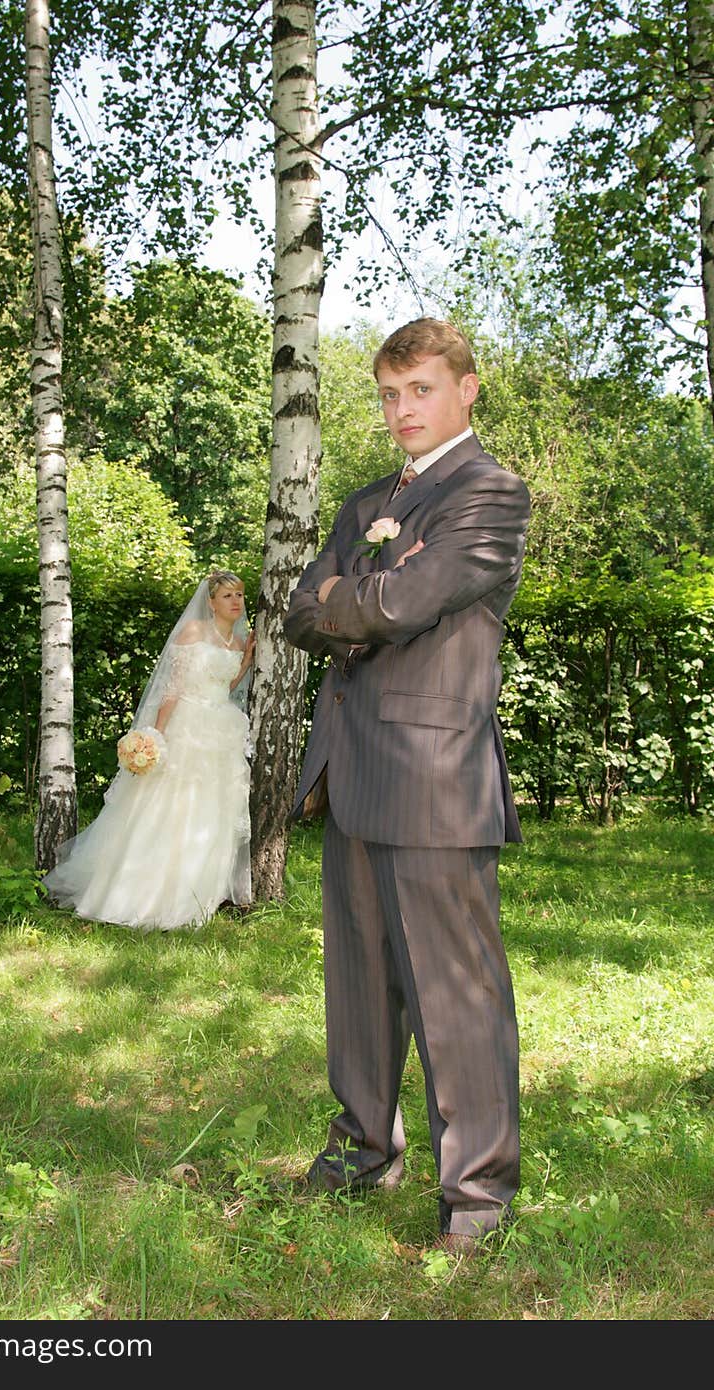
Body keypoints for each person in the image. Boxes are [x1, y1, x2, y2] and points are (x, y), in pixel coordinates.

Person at [283, 318, 530, 1255]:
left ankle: (476, 1197)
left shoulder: (491, 495)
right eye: (389, 394)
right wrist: (361, 597)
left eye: (419, 390)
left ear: (465, 389)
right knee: (360, 979)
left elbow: (398, 602)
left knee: (454, 992)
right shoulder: (364, 502)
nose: (401, 411)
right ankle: (361, 1149)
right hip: (352, 769)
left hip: (434, 775)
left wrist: (357, 598)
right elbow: (305, 605)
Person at [43, 570, 255, 931]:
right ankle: (144, 893)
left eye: (239, 595)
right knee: (170, 808)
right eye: (227, 596)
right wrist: (154, 737)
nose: (236, 602)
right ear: (211, 601)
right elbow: (172, 689)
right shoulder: (193, 633)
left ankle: (196, 892)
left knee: (211, 810)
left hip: (223, 730)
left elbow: (227, 684)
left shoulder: (238, 641)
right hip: (188, 726)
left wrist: (247, 659)